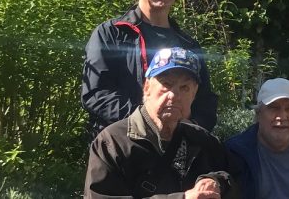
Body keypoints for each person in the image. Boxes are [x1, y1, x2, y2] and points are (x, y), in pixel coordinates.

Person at [82, 0, 218, 138]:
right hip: (122, 145)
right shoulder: (111, 34)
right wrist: (147, 122)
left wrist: (188, 128)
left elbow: (204, 101)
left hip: (174, 147)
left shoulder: (188, 45)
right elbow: (97, 93)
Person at [85, 47, 235, 198]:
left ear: (194, 94)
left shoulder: (203, 140)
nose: (174, 95)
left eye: (185, 88)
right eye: (167, 84)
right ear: (147, 87)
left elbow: (235, 180)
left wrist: (216, 181)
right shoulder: (112, 143)